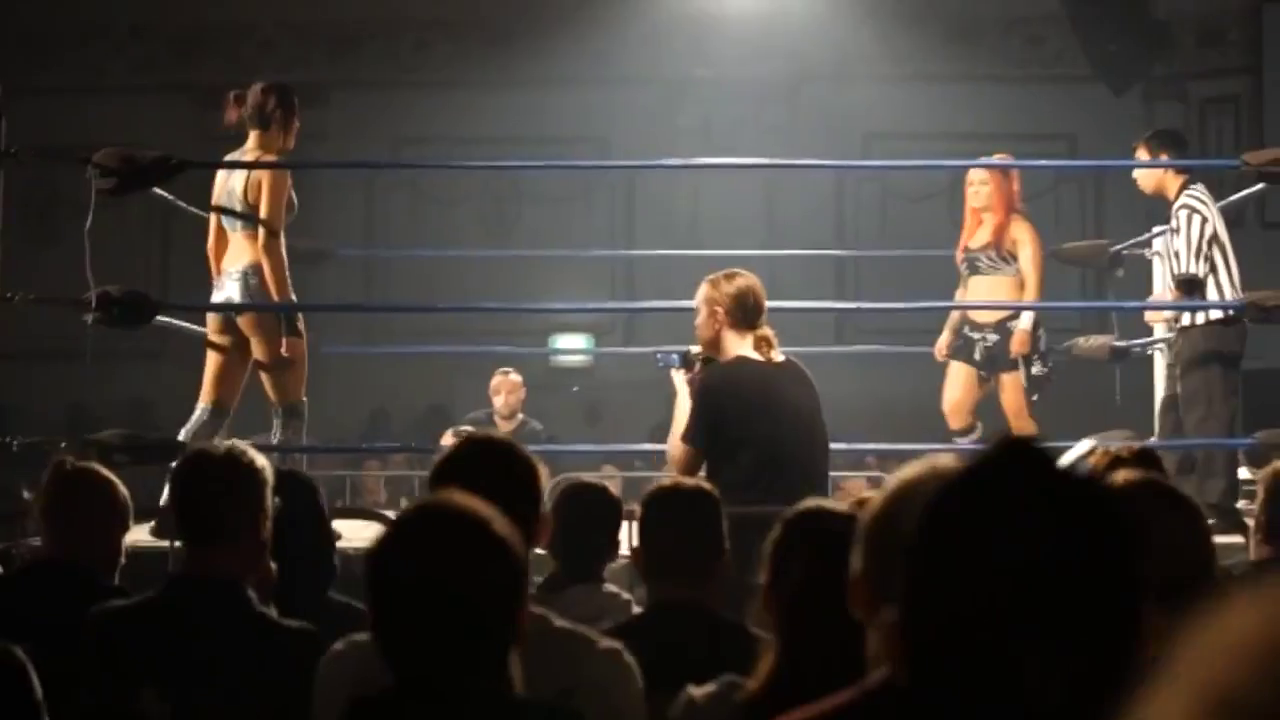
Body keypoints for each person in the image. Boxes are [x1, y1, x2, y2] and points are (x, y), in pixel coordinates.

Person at [665, 268, 829, 612]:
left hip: (744, 553)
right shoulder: (798, 373)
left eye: (698, 311)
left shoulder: (718, 382)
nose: (694, 322)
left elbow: (680, 468)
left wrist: (684, 393)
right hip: (805, 546)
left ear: (718, 317)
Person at [174, 81, 308, 463]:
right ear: (281, 118)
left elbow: (212, 243)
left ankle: (173, 492)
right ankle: (288, 498)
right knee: (289, 416)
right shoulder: (271, 167)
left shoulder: (226, 165)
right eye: (296, 119)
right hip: (258, 286)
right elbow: (268, 244)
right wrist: (287, 315)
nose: (299, 128)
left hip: (223, 289)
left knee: (208, 413)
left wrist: (223, 292)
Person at [1132, 128, 1248, 535]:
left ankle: (1219, 514)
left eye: (1140, 163)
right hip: (1198, 329)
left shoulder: (1190, 207)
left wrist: (1162, 306)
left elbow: (1189, 283)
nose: (1133, 174)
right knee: (1175, 423)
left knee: (1206, 423)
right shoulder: (1187, 204)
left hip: (1210, 329)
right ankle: (1182, 510)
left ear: (1164, 162)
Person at [934, 154, 1049, 441]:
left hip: (1008, 328)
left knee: (1018, 418)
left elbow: (1033, 283)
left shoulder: (1018, 227)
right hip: (971, 330)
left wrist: (1024, 328)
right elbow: (964, 288)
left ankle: (1034, 467)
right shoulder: (971, 233)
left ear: (1000, 187)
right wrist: (948, 330)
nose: (975, 190)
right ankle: (977, 462)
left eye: (983, 183)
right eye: (970, 184)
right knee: (953, 409)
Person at [440, 367, 548, 448]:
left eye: (510, 392)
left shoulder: (532, 432)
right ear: (490, 394)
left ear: (522, 394)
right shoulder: (474, 423)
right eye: (497, 392)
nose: (503, 399)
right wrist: (447, 443)